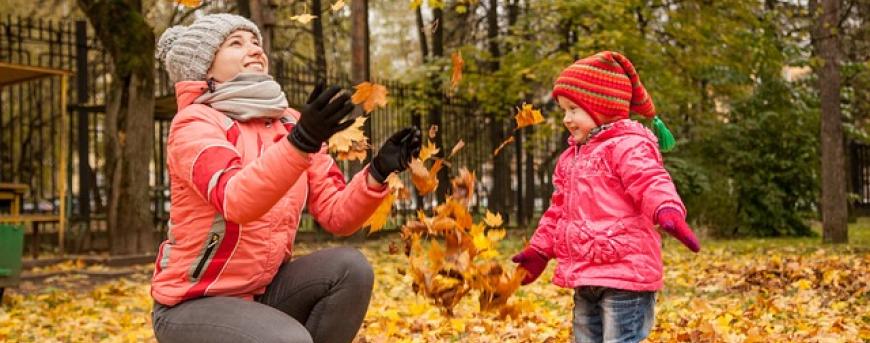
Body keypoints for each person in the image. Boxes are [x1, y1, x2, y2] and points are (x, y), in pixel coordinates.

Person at [149, 13, 421, 343]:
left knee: (351, 269)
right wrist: (301, 143)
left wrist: (378, 172)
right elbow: (235, 198)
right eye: (236, 43)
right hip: (193, 302)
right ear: (205, 69)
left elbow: (337, 216)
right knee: (287, 340)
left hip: (262, 292)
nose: (253, 49)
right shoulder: (195, 124)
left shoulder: (290, 123)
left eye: (255, 42)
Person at [511, 51, 701, 343]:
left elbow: (649, 180)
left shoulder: (627, 147)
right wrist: (539, 250)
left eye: (573, 109)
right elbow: (558, 211)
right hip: (586, 276)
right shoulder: (569, 160)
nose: (566, 119)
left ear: (602, 107)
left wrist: (667, 211)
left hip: (627, 276)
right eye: (564, 110)